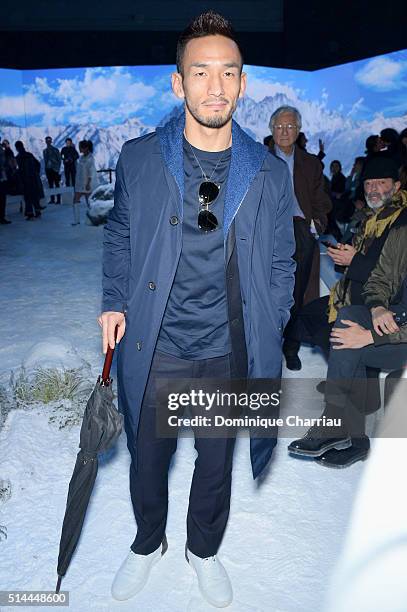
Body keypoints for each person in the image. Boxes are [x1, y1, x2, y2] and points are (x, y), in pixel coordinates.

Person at [99, 10, 295, 607]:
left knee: (216, 466)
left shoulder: (266, 171)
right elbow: (119, 234)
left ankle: (202, 549)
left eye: (229, 73)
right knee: (146, 456)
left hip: (227, 349)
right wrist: (113, 300)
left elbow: (285, 259)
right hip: (155, 346)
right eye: (201, 72)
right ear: (178, 83)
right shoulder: (139, 159)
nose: (216, 86)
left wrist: (272, 319)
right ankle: (147, 540)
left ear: (242, 81)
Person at [288, 222, 407, 468]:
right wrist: (377, 307)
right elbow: (380, 279)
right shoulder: (401, 233)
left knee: (352, 347)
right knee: (349, 319)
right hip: (398, 319)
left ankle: (348, 434)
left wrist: (373, 337)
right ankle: (339, 424)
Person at [286, 156, 407, 368]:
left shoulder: (401, 222)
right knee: (309, 317)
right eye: (368, 183)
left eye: (381, 182)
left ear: (396, 186)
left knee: (330, 328)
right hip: (354, 292)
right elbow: (359, 254)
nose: (373, 189)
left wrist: (353, 260)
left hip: (382, 302)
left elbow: (391, 279)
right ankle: (348, 377)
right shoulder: (370, 217)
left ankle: (349, 382)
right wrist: (343, 256)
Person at [269, 105, 332, 370]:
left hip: (300, 230)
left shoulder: (311, 164)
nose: (284, 132)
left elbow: (322, 202)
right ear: (271, 130)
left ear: (298, 130)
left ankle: (291, 346)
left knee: (296, 293)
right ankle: (267, 346)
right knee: (266, 293)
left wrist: (314, 226)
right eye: (280, 127)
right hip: (267, 233)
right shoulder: (258, 160)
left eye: (290, 126)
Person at [15, 141, 45, 220]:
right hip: (34, 178)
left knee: (28, 197)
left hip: (25, 180)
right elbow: (38, 164)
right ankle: (38, 213)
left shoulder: (18, 157)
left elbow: (18, 170)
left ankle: (30, 215)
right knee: (35, 196)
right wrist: (36, 173)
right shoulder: (29, 155)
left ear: (17, 148)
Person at [72, 140, 99, 225]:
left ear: (86, 148)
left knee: (89, 202)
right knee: (75, 200)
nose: (79, 149)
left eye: (81, 147)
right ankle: (76, 221)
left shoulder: (90, 158)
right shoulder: (81, 158)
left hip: (87, 184)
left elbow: (91, 172)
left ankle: (94, 219)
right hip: (79, 184)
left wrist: (88, 183)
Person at [43, 136, 62, 204]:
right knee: (50, 184)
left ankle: (59, 199)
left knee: (57, 184)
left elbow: (59, 160)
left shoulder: (55, 150)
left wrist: (57, 169)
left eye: (49, 140)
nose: (48, 142)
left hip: (54, 169)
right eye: (47, 140)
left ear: (51, 141)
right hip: (48, 169)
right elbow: (45, 160)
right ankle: (52, 199)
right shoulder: (44, 151)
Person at [0, 141, 10, 224]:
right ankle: (1, 217)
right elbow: (4, 163)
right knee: (2, 198)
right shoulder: (1, 150)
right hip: (2, 177)